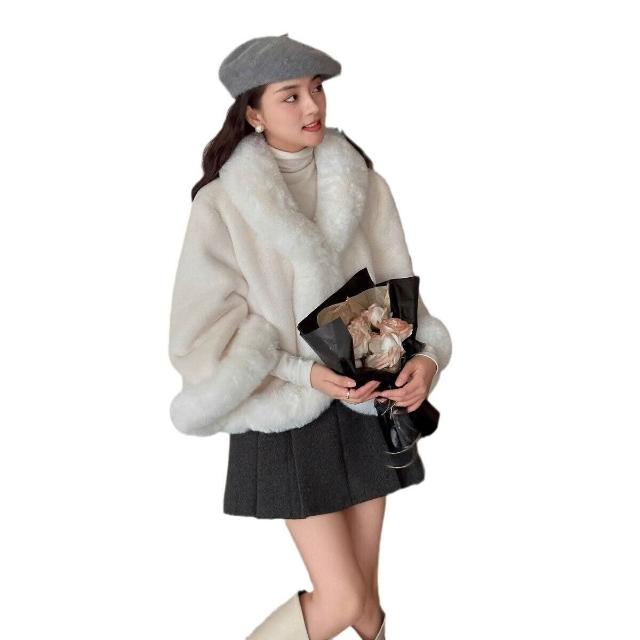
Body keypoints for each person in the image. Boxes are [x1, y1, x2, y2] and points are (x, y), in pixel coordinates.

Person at [167, 33, 452, 640]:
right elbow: (206, 334)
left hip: (369, 405)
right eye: (290, 95)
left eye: (317, 89)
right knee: (342, 598)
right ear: (253, 112)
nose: (312, 105)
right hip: (287, 412)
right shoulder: (221, 205)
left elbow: (403, 297)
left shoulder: (362, 183)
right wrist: (306, 374)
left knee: (366, 607)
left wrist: (426, 360)